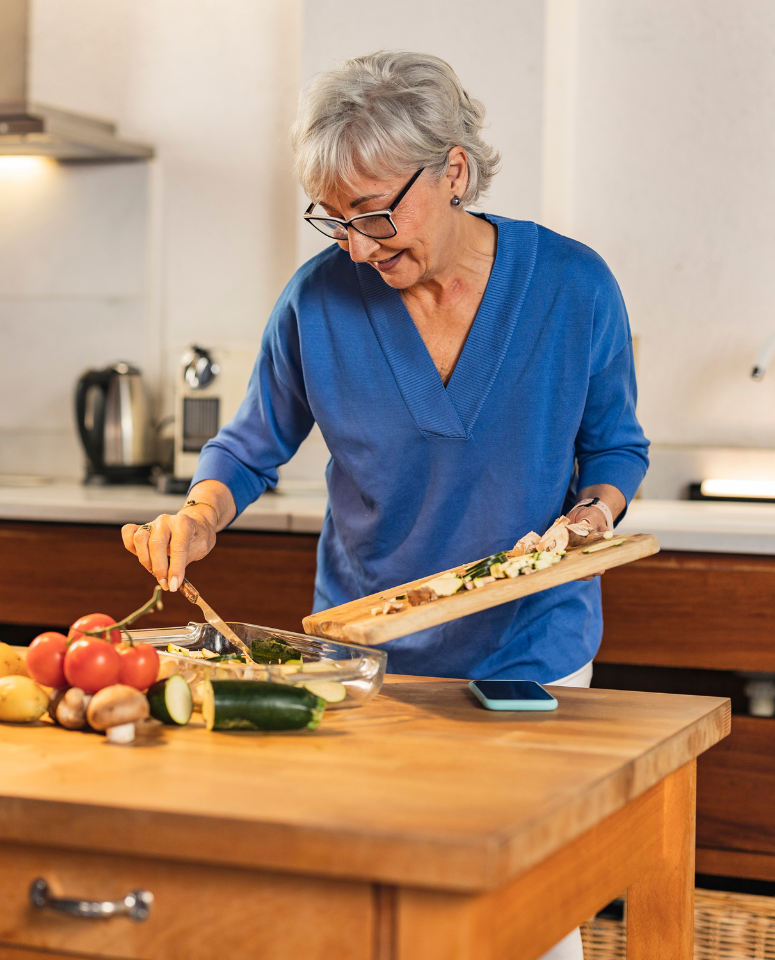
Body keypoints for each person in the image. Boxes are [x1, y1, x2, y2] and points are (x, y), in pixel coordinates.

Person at [123, 51, 648, 960]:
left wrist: (593, 518)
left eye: (373, 214)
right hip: (366, 666)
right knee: (374, 917)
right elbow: (247, 448)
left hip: (530, 660)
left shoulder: (574, 286)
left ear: (453, 171)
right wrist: (199, 517)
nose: (358, 248)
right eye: (335, 220)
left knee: (528, 922)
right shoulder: (317, 301)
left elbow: (615, 449)